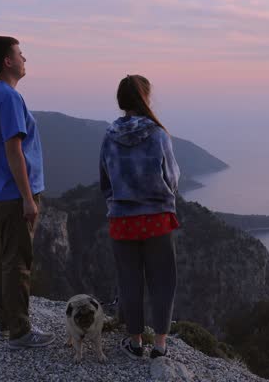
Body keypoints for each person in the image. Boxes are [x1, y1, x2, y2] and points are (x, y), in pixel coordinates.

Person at [0, 36, 54, 350]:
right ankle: (20, 331)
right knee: (18, 261)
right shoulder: (8, 98)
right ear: (8, 61)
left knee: (3, 259)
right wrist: (27, 196)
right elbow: (14, 150)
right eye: (21, 54)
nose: (26, 59)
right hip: (13, 194)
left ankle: (3, 324)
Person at [99, 74, 180, 359]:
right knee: (162, 280)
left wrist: (119, 200)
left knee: (129, 280)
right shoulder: (158, 135)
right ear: (145, 98)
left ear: (121, 101)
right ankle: (159, 344)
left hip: (122, 220)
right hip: (157, 218)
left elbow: (105, 181)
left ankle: (134, 342)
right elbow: (172, 176)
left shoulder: (110, 136)